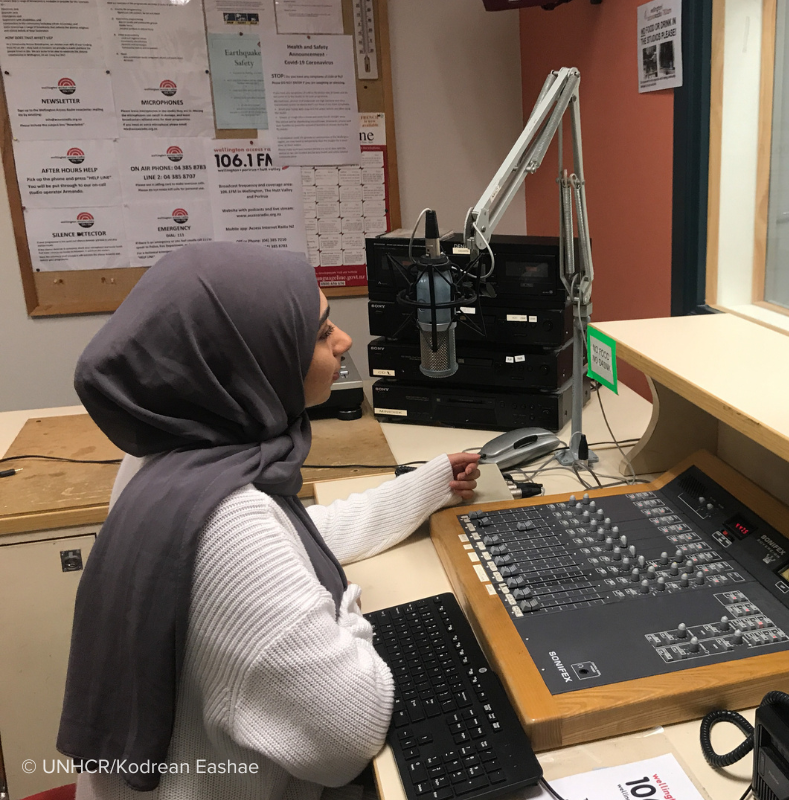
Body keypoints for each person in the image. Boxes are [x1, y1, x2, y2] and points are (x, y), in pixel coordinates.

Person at [57, 242, 481, 800]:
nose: (343, 341)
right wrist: (344, 607)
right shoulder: (231, 525)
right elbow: (349, 732)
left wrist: (424, 488)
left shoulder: (166, 458)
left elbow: (295, 541)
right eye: (321, 331)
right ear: (252, 357)